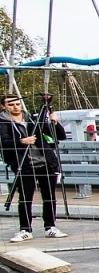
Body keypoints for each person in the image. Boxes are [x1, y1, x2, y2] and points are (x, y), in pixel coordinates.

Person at [1, 92, 67, 242]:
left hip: (45, 162)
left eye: (17, 103)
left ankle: (50, 227)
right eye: (10, 104)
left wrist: (55, 123)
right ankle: (25, 229)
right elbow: (3, 143)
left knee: (49, 197)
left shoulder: (32, 119)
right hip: (24, 164)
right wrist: (21, 141)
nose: (15, 107)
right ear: (4, 106)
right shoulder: (3, 122)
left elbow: (59, 136)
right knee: (25, 198)